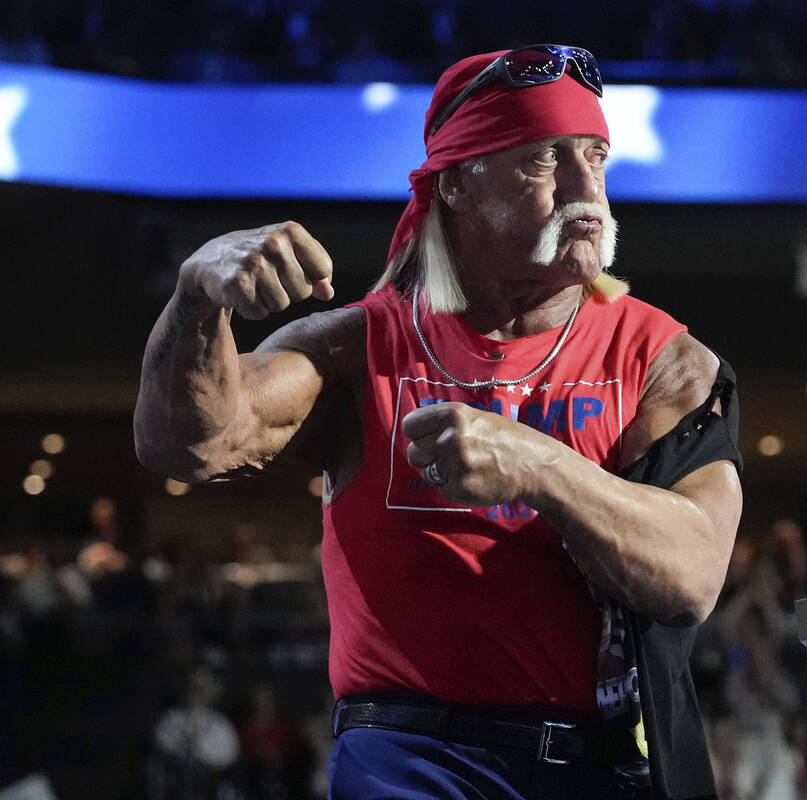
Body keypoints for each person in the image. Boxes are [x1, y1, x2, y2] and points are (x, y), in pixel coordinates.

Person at [134, 44, 743, 800]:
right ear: (455, 182)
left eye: (595, 155)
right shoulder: (358, 348)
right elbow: (187, 444)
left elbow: (690, 577)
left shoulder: (665, 360)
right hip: (409, 760)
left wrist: (538, 464)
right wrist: (198, 296)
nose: (588, 188)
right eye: (543, 161)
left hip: (599, 767)